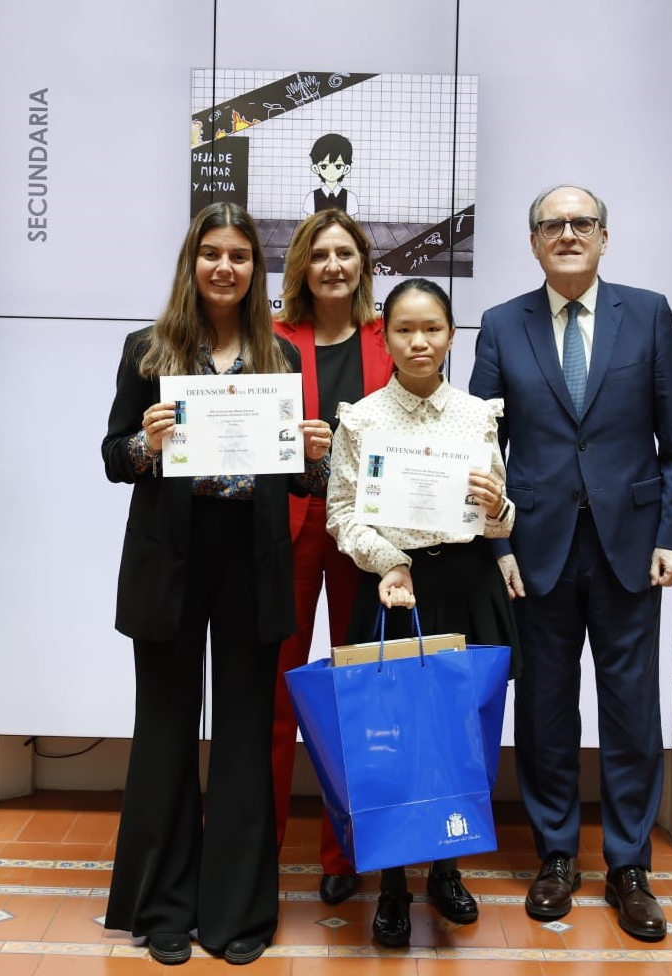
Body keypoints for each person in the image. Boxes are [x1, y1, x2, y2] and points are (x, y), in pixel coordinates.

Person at [101, 202, 332, 966]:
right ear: (191, 263)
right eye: (211, 254)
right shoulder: (148, 349)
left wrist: (314, 452)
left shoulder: (281, 361)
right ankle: (163, 908)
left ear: (253, 269)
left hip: (250, 557)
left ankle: (234, 912)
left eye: (238, 255)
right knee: (165, 729)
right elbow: (112, 455)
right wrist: (148, 441)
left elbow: (300, 474)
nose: (225, 267)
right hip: (172, 555)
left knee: (240, 733)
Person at [468, 185, 672, 941]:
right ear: (533, 242)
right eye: (552, 225)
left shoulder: (650, 313)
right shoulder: (503, 325)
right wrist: (497, 543)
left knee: (632, 712)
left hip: (632, 548)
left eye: (581, 223)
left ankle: (629, 867)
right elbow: (481, 451)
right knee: (545, 710)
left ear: (604, 236)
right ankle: (557, 857)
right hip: (535, 552)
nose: (568, 234)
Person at [326, 277, 519, 948]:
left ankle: (445, 869)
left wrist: (500, 509)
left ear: (451, 336)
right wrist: (389, 564)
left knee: (457, 739)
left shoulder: (477, 415)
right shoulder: (363, 418)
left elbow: (498, 522)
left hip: (464, 586)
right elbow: (342, 515)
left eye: (432, 328)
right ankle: (391, 885)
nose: (419, 341)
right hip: (391, 587)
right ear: (384, 335)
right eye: (404, 329)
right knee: (391, 743)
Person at [270, 210, 395, 906]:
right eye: (320, 254)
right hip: (288, 525)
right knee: (274, 693)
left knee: (355, 690)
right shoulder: (274, 337)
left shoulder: (388, 338)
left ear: (363, 264)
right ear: (302, 266)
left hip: (364, 533)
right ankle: (260, 842)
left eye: (346, 253)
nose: (333, 265)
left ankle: (342, 853)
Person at [301, 133, 359, 217]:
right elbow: (310, 225)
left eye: (338, 166)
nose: (331, 172)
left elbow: (350, 226)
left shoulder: (350, 198)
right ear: (315, 168)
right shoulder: (311, 198)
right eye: (324, 166)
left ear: (346, 169)